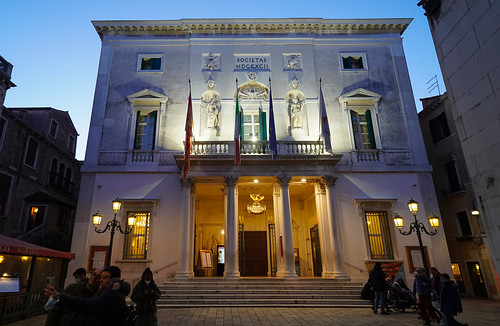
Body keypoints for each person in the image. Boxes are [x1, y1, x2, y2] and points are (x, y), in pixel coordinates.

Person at [45, 266, 127, 326]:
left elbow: (89, 304)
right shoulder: (75, 287)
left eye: (101, 277)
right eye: (93, 274)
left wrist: (61, 297)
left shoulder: (108, 293)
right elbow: (55, 311)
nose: (96, 278)